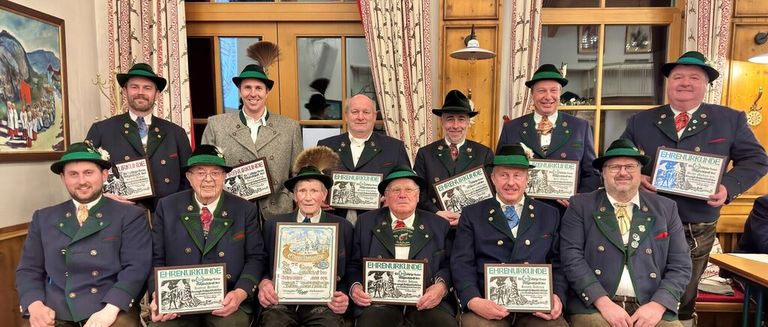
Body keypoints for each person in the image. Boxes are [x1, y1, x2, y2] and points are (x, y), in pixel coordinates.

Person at [620, 51, 768, 326]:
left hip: (696, 222)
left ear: (705, 84)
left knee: (683, 293)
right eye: (678, 77)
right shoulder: (640, 120)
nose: (685, 82)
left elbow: (757, 160)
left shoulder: (729, 119)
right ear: (668, 83)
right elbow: (619, 159)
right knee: (640, 285)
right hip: (648, 217)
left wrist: (727, 187)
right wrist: (638, 176)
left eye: (694, 78)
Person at [16, 142, 151, 326]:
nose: (81, 181)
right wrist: (35, 305)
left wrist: (111, 309)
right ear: (63, 178)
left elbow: (136, 268)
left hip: (108, 303)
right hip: (57, 307)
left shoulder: (129, 215)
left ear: (104, 175)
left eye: (89, 173)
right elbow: (29, 269)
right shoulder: (44, 217)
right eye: (73, 174)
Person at [560, 139, 692, 327]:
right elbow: (571, 258)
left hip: (651, 304)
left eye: (630, 166)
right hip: (595, 305)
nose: (623, 172)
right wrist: (603, 302)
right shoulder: (580, 206)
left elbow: (681, 264)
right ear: (603, 173)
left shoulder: (666, 208)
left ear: (640, 172)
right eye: (614, 167)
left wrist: (658, 304)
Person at [149, 145, 267, 326]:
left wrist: (240, 294)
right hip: (178, 300)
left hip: (228, 297)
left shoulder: (244, 209)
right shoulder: (167, 207)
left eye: (216, 173)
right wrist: (158, 296)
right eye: (200, 172)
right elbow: (155, 258)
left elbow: (256, 258)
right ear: (189, 177)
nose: (208, 179)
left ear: (225, 177)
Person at [451, 144, 567, 326]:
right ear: (493, 178)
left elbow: (559, 262)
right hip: (487, 303)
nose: (510, 183)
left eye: (517, 175)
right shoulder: (472, 214)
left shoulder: (549, 214)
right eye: (503, 175)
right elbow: (461, 263)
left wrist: (557, 297)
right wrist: (473, 300)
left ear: (527, 179)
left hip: (536, 307)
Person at [347, 166, 457, 327]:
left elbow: (449, 264)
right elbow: (353, 264)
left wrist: (441, 287)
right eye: (396, 190)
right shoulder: (365, 222)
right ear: (385, 195)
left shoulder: (439, 224)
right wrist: (355, 287)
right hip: (378, 303)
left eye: (409, 190)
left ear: (418, 195)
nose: (402, 195)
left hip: (428, 302)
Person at [259, 146, 354, 326]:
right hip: (281, 302)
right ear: (294, 195)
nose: (308, 198)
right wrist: (264, 283)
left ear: (324, 195)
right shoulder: (273, 225)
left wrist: (343, 295)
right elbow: (262, 263)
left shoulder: (343, 227)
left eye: (314, 191)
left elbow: (350, 268)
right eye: (302, 191)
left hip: (323, 303)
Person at [86, 63, 192, 210]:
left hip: (166, 217)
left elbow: (189, 177)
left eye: (147, 88)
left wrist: (176, 208)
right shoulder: (102, 130)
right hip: (118, 215)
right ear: (125, 91)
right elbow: (84, 173)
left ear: (157, 94)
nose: (140, 92)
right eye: (134, 87)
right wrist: (102, 195)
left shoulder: (176, 133)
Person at [497, 64, 601, 214]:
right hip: (522, 213)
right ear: (532, 94)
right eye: (541, 91)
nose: (548, 97)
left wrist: (579, 198)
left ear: (560, 94)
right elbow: (499, 169)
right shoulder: (512, 128)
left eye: (553, 91)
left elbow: (592, 173)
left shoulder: (580, 127)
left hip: (565, 214)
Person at [202, 64, 303, 217]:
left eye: (258, 88)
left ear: (267, 92)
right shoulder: (217, 125)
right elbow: (206, 168)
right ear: (240, 91)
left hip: (278, 210)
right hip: (230, 210)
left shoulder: (290, 127)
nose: (253, 93)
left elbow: (297, 172)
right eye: (247, 87)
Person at [317, 94, 410, 224]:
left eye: (366, 112)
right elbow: (315, 181)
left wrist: (392, 198)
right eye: (355, 112)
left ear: (374, 115)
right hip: (335, 221)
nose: (360, 117)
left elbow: (407, 182)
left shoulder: (394, 147)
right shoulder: (326, 146)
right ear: (346, 115)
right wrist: (318, 196)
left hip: (378, 223)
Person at [413, 89, 494, 227]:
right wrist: (436, 212)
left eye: (461, 119)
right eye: (450, 119)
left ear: (469, 122)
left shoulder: (484, 154)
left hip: (472, 227)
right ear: (442, 121)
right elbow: (417, 192)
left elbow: (492, 194)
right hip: (435, 226)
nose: (455, 126)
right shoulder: (425, 153)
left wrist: (465, 217)